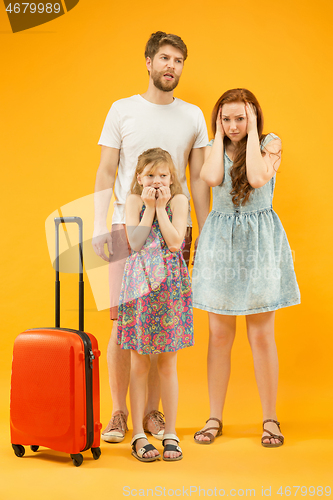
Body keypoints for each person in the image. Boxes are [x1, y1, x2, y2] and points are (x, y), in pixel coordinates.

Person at [92, 31, 209, 443]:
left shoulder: (193, 115)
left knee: (163, 320)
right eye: (163, 58)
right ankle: (120, 413)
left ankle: (154, 415)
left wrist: (205, 227)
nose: (170, 66)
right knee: (124, 320)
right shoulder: (122, 110)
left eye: (178, 60)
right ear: (148, 62)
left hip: (174, 227)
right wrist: (98, 225)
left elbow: (195, 177)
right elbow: (107, 171)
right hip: (128, 226)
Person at [192, 88, 300, 447]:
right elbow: (210, 178)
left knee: (261, 335)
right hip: (221, 243)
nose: (233, 124)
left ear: (253, 116)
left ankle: (270, 419)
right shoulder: (214, 145)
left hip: (259, 243)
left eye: (241, 117)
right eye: (227, 118)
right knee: (220, 335)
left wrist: (253, 132)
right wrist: (220, 137)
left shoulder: (270, 143)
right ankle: (214, 417)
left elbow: (256, 179)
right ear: (218, 119)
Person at [117, 148, 193, 462]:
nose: (157, 180)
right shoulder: (134, 202)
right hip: (139, 286)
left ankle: (171, 432)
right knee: (138, 363)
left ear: (171, 178)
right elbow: (135, 243)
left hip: (171, 286)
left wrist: (162, 208)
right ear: (138, 178)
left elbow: (176, 242)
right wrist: (149, 207)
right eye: (150, 175)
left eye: (162, 175)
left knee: (167, 363)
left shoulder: (179, 202)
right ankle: (137, 435)